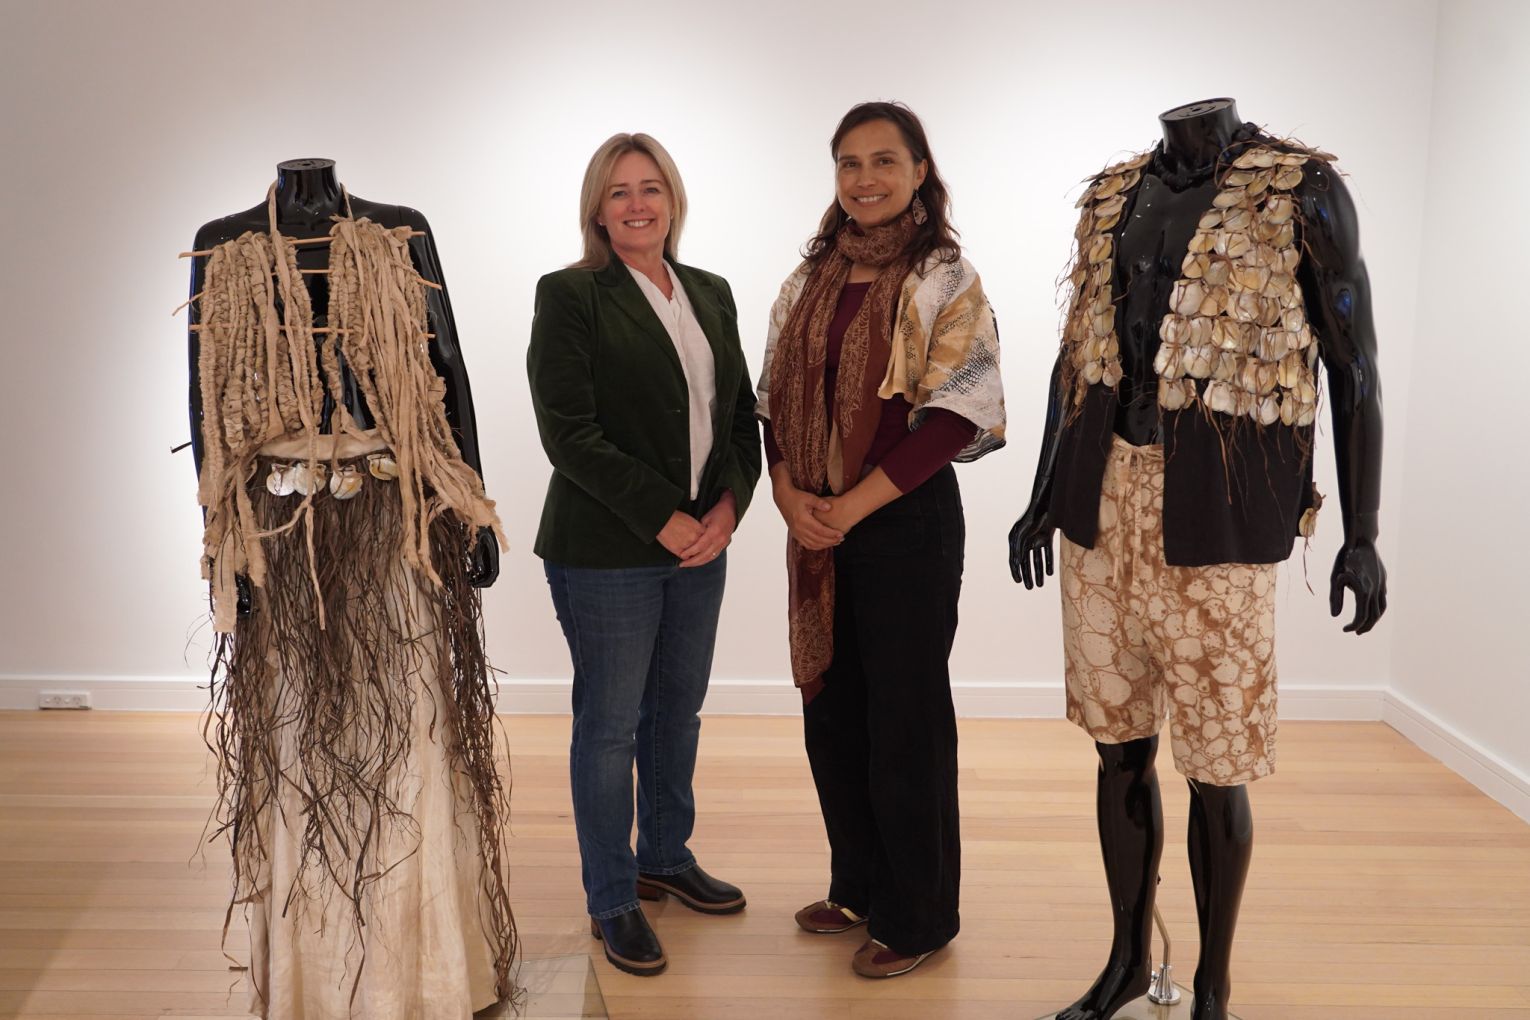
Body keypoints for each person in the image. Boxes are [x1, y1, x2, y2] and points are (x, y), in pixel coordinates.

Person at [1008, 98, 1387, 1020]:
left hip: (1218, 504)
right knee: (1118, 748)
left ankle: (1213, 982)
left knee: (1218, 765)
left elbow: (1356, 365)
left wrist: (1363, 530)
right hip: (1101, 499)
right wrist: (1039, 494)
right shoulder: (1114, 197)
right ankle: (1126, 962)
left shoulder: (1302, 192)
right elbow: (1079, 361)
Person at [187, 158, 515, 1019]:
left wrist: (471, 507)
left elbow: (448, 375)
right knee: (296, 740)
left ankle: (427, 975)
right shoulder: (223, 246)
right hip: (280, 532)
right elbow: (206, 409)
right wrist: (225, 549)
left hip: (389, 519)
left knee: (410, 729)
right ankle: (318, 985)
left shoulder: (397, 230)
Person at [756, 101, 1006, 979]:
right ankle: (858, 884)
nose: (865, 178)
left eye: (884, 162)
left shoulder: (944, 276)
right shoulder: (809, 279)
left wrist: (849, 505)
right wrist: (788, 492)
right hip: (815, 526)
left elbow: (955, 415)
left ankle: (920, 915)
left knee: (905, 721)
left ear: (919, 173)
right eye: (849, 163)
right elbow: (771, 403)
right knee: (835, 713)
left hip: (904, 524)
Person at [527, 133, 762, 978]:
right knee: (611, 726)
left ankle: (666, 853)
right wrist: (662, 517)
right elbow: (570, 434)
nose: (637, 204)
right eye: (619, 190)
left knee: (679, 711)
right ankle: (613, 898)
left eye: (651, 187)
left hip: (705, 542)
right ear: (598, 207)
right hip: (608, 552)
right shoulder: (572, 295)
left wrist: (729, 506)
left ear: (674, 200)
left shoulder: (711, 292)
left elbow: (740, 417)